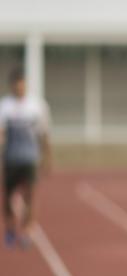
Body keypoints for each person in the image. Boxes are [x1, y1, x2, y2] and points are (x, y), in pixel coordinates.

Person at [0, 67, 52, 249]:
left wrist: (47, 158)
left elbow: (44, 134)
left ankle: (27, 230)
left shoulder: (37, 106)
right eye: (16, 86)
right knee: (7, 197)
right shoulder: (4, 106)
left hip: (29, 159)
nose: (19, 88)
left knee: (30, 195)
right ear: (11, 86)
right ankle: (10, 229)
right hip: (10, 159)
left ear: (25, 85)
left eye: (22, 85)